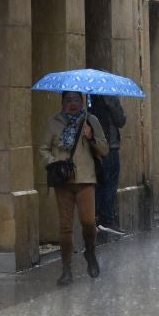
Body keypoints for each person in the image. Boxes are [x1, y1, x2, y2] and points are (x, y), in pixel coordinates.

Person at [40, 91, 109, 286]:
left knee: (88, 221)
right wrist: (54, 163)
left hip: (86, 179)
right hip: (63, 181)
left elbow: (104, 149)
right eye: (68, 100)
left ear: (83, 101)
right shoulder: (53, 122)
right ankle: (66, 269)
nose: (72, 103)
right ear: (62, 102)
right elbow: (43, 148)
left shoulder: (91, 120)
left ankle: (90, 250)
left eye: (77, 100)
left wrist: (91, 136)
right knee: (65, 226)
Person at [89, 94, 127, 240]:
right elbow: (120, 120)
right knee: (110, 184)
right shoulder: (109, 95)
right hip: (110, 146)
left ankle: (97, 218)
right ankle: (107, 219)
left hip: (94, 146)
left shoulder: (89, 96)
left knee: (99, 183)